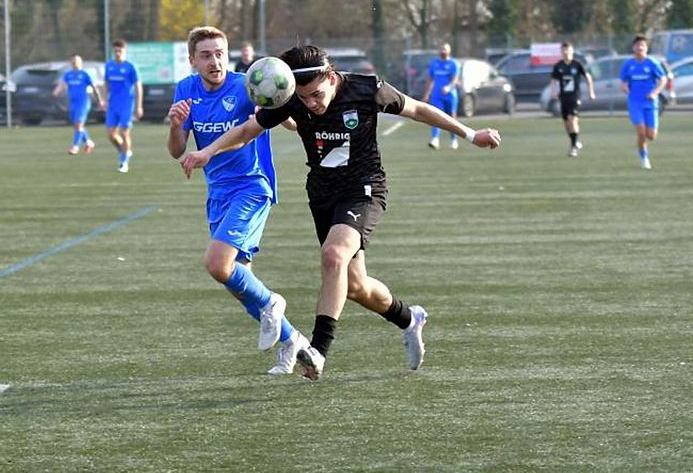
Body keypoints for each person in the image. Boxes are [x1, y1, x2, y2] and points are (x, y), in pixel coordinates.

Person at [179, 45, 501, 381]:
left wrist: (470, 134)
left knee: (333, 256)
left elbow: (419, 109)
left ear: (332, 78)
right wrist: (208, 151)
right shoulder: (290, 96)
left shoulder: (367, 89)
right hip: (322, 192)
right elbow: (248, 130)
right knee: (355, 286)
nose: (311, 104)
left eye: (317, 95)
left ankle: (318, 350)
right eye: (304, 99)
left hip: (363, 188)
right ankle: (409, 318)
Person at [166, 26, 307, 375]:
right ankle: (294, 341)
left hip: (251, 186)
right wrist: (175, 126)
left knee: (217, 263)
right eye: (206, 55)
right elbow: (176, 151)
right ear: (191, 60)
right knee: (236, 280)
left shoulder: (251, 83)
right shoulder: (186, 90)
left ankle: (274, 303)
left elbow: (290, 124)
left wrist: (278, 104)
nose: (215, 61)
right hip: (218, 192)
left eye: (220, 53)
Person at [619, 35, 667, 169]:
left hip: (650, 103)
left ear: (646, 48)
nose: (640, 48)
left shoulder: (652, 63)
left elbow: (663, 79)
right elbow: (623, 80)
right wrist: (624, 87)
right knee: (641, 133)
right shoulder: (628, 64)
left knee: (651, 136)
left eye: (642, 45)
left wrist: (655, 93)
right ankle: (644, 157)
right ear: (633, 48)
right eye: (637, 45)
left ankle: (644, 147)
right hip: (635, 102)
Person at [104, 39, 144, 173]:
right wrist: (104, 100)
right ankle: (124, 151)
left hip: (126, 104)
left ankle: (124, 162)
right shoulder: (109, 66)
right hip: (112, 105)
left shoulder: (130, 67)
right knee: (111, 135)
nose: (117, 53)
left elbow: (138, 86)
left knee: (124, 132)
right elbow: (106, 84)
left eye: (120, 51)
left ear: (124, 51)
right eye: (115, 51)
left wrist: (139, 106)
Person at [549, 42, 595, 157]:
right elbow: (553, 80)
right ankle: (575, 141)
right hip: (563, 98)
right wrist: (553, 93)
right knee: (566, 123)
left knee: (572, 119)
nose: (566, 52)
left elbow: (588, 77)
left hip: (575, 97)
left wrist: (591, 92)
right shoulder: (558, 66)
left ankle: (573, 148)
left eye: (568, 50)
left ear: (572, 51)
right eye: (563, 50)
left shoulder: (577, 65)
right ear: (561, 52)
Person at [53, 54, 105, 155]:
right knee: (77, 126)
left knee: (78, 124)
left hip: (83, 103)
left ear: (80, 62)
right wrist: (56, 92)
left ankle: (75, 146)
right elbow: (62, 85)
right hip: (73, 103)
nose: (74, 63)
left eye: (76, 61)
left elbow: (94, 87)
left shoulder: (85, 74)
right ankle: (89, 142)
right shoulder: (68, 75)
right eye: (72, 61)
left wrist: (100, 101)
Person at [422, 42, 461, 149]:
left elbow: (455, 80)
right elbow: (430, 80)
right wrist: (426, 94)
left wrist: (448, 88)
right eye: (441, 49)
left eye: (445, 49)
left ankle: (454, 139)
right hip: (437, 95)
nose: (443, 51)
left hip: (450, 95)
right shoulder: (434, 64)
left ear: (449, 51)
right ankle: (435, 139)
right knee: (435, 116)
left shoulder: (454, 64)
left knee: (451, 117)